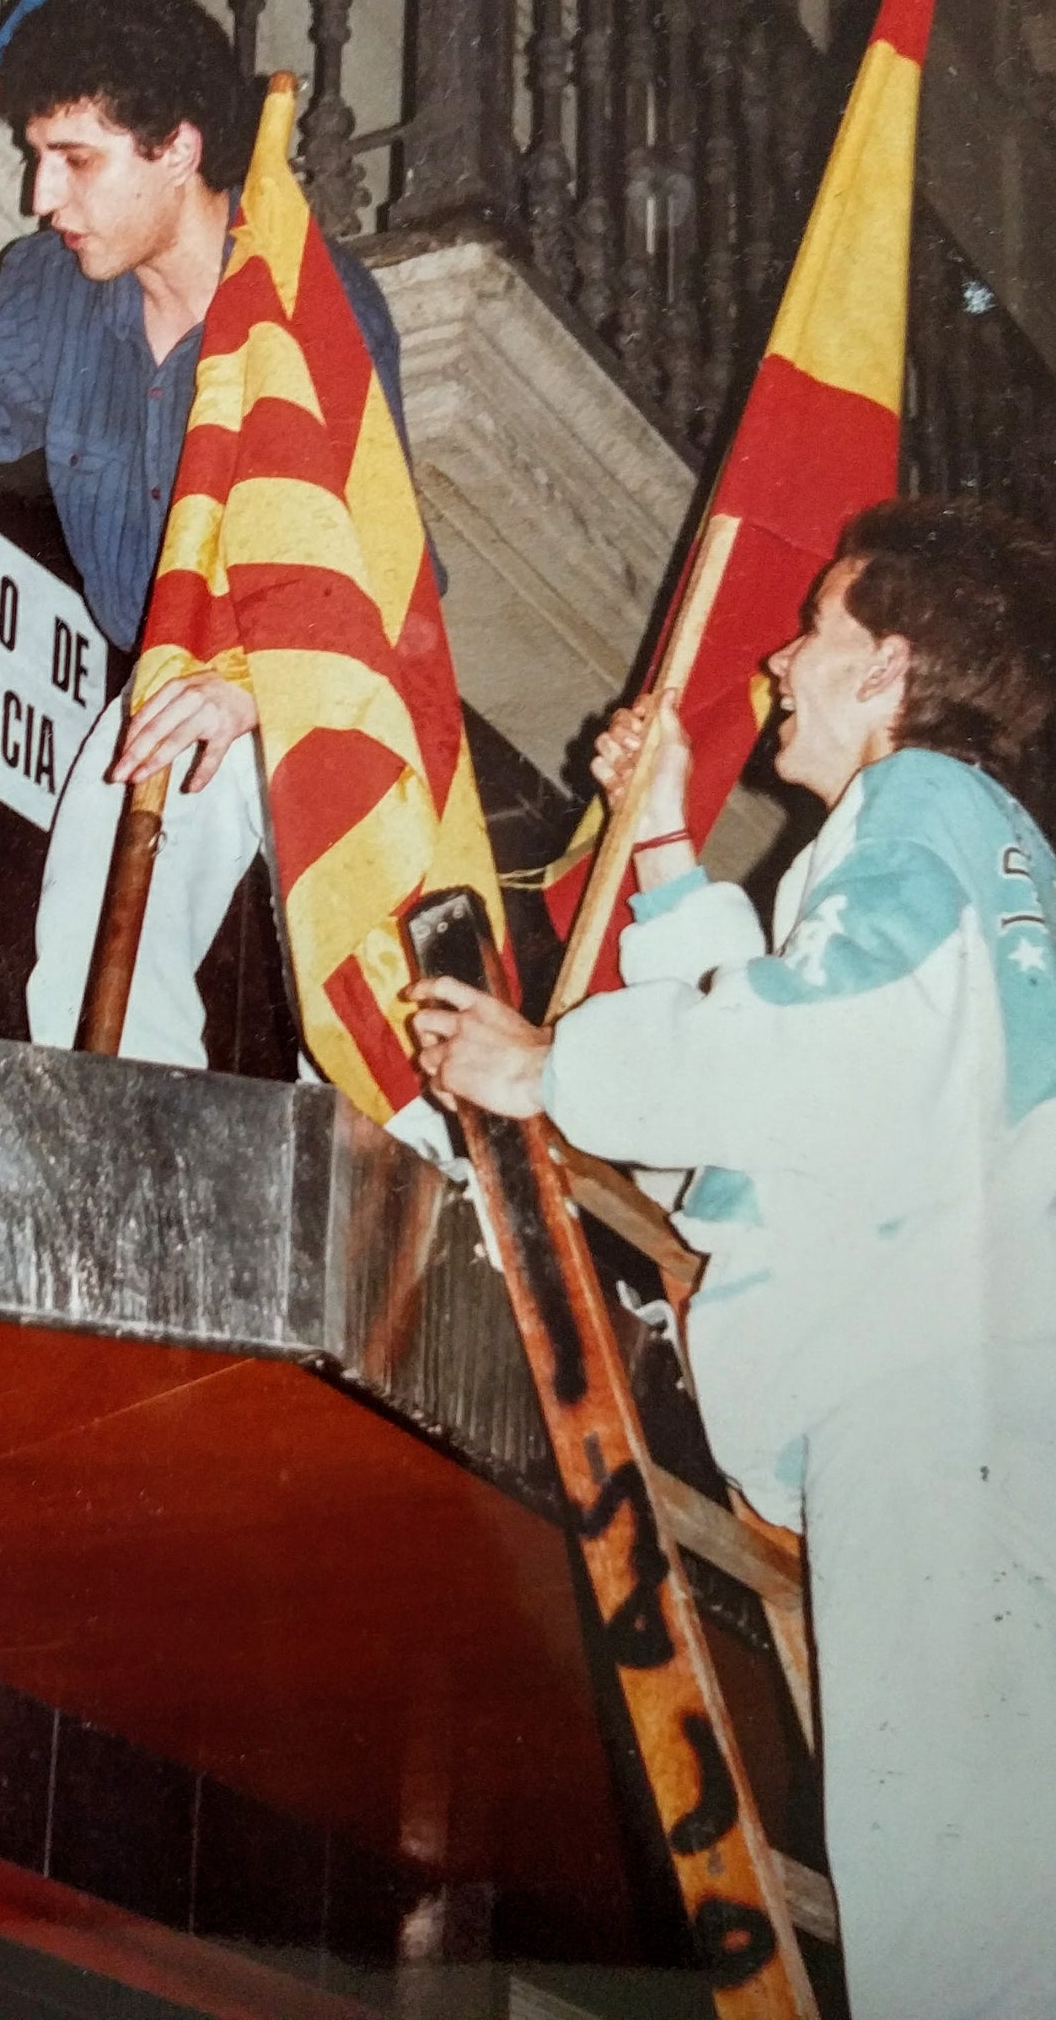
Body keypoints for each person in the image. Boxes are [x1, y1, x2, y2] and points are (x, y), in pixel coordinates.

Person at [409, 496, 1056, 2020]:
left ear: (886, 670)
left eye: (812, 627)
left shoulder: (914, 807)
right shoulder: (981, 856)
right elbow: (783, 1103)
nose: (773, 659)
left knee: (948, 1931)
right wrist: (662, 840)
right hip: (980, 1421)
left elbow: (818, 1053)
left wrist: (548, 1068)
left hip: (931, 1422)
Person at [0, 0, 419, 1068]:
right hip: (165, 678)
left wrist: (251, 688)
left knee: (373, 1021)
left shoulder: (312, 302)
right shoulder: (57, 292)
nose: (42, 197)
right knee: (86, 975)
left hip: (319, 679)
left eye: (76, 160)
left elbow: (372, 565)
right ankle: (136, 1177)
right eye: (35, 157)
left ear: (178, 150)